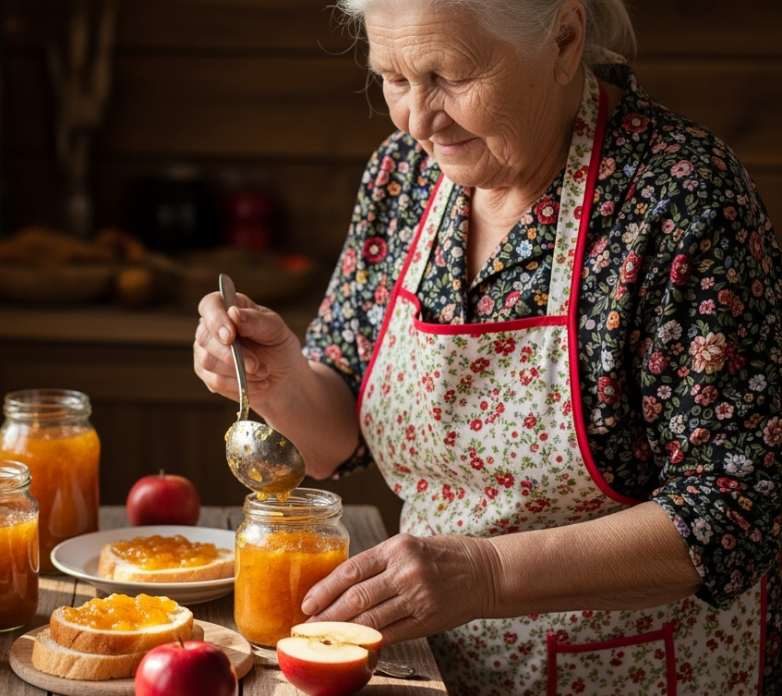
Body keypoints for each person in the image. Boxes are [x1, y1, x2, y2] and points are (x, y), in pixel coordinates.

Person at [192, 0, 782, 693]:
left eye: (450, 75)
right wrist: (281, 381)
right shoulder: (402, 178)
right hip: (428, 666)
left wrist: (490, 574)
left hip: (642, 671)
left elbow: (735, 506)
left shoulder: (681, 201)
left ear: (563, 39)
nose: (418, 119)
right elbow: (334, 441)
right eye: (395, 79)